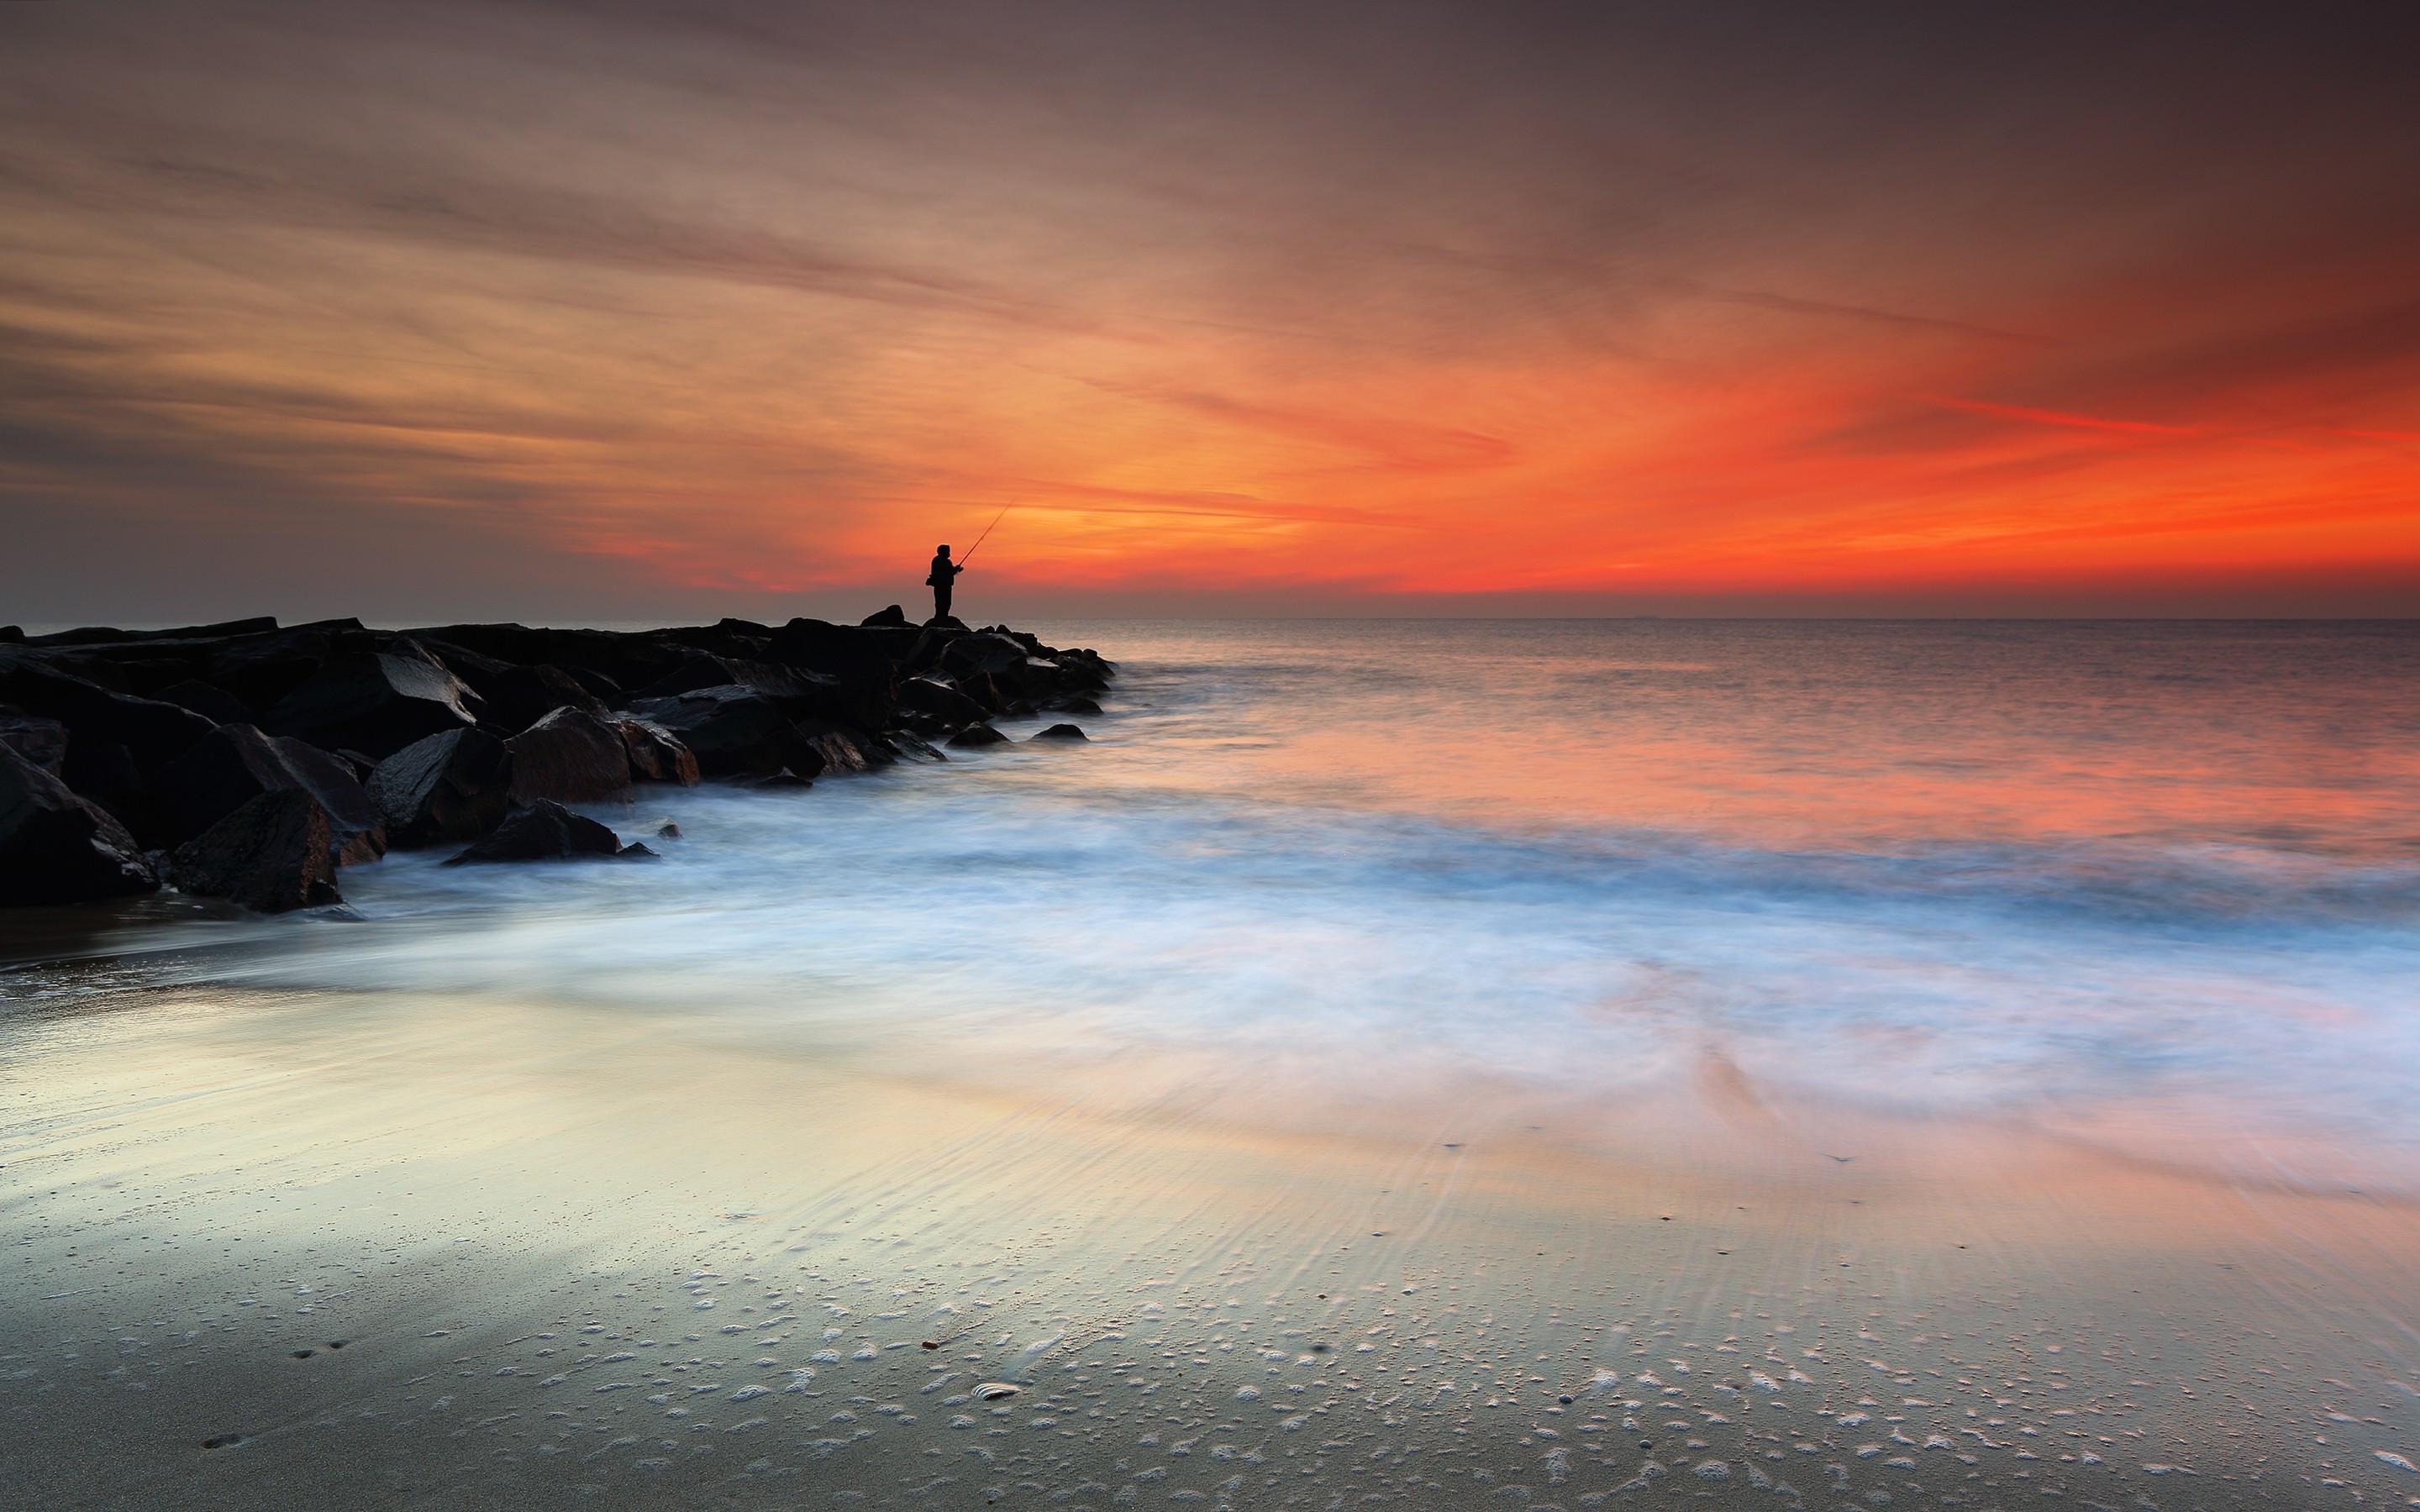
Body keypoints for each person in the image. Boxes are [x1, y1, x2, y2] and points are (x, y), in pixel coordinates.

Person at [925, 544, 964, 622]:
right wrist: (956, 569)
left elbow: (948, 571)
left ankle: (940, 618)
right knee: (945, 603)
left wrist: (956, 569)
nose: (949, 552)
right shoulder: (945, 561)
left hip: (939, 585)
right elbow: (949, 572)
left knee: (940, 602)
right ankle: (942, 619)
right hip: (944, 586)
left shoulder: (936, 560)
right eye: (947, 550)